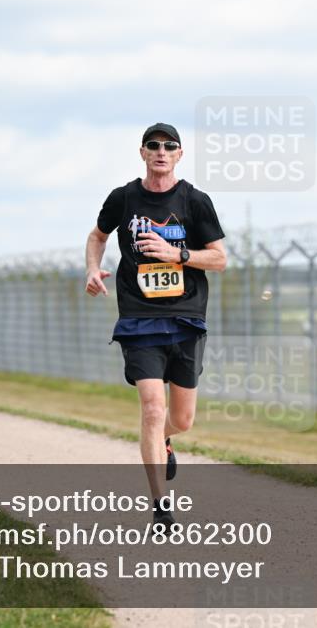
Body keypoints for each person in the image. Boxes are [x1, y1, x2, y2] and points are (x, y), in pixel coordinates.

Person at [85, 123, 227, 529]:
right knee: (152, 408)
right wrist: (93, 268)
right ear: (143, 153)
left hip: (186, 317)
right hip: (139, 319)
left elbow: (219, 259)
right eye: (153, 145)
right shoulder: (124, 198)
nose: (161, 151)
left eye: (169, 146)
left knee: (181, 420)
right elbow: (97, 236)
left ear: (179, 154)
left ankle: (164, 439)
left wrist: (176, 254)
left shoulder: (195, 201)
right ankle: (161, 506)